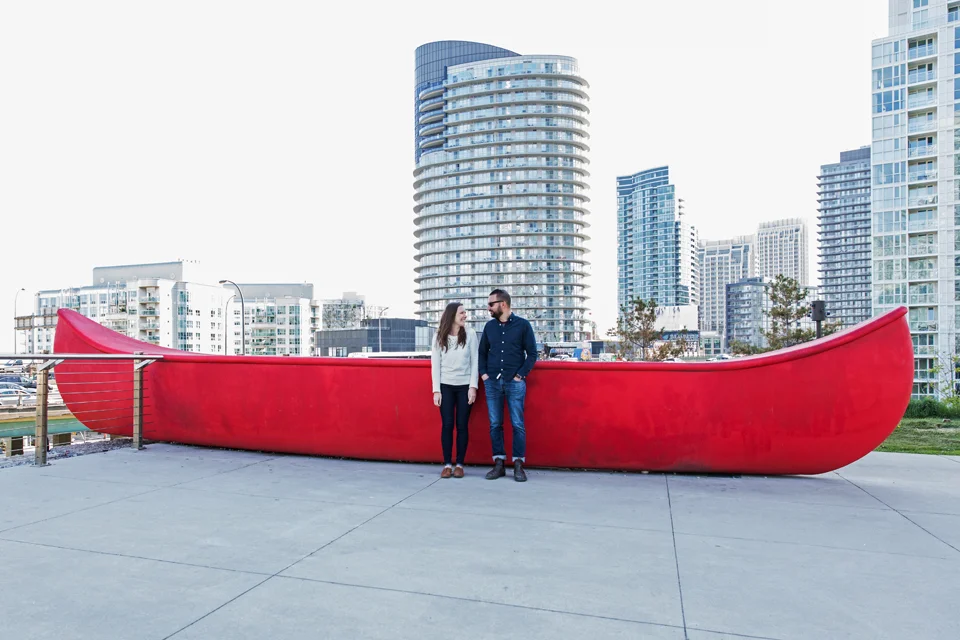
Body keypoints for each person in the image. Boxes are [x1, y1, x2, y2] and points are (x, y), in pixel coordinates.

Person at [478, 289, 537, 482]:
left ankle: (519, 465)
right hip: (492, 383)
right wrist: (485, 375)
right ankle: (499, 464)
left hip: (515, 382)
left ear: (503, 304)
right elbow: (482, 353)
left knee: (517, 424)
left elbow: (532, 354)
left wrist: (520, 375)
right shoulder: (489, 327)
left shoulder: (523, 325)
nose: (488, 308)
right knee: (495, 424)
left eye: (491, 304)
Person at [430, 302, 478, 478]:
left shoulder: (471, 334)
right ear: (452, 315)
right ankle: (447, 464)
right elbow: (435, 365)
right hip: (446, 386)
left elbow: (475, 361)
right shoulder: (438, 336)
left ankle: (459, 464)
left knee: (462, 425)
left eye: (465, 312)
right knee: (448, 425)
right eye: (462, 313)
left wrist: (473, 387)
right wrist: (436, 390)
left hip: (465, 386)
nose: (465, 315)